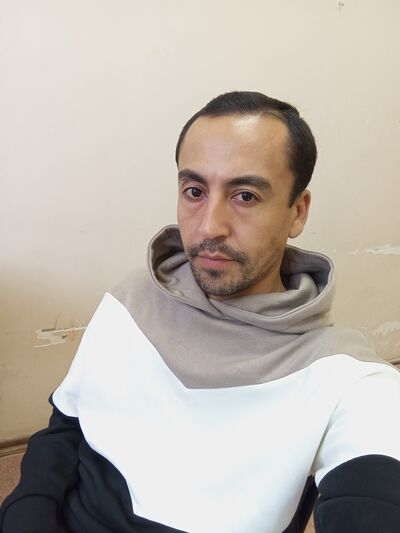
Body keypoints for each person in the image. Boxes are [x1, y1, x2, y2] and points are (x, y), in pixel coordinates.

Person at [1, 91, 400, 533]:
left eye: (245, 196)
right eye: (194, 191)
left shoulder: (347, 379)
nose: (210, 226)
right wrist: (24, 511)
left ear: (297, 212)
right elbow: (67, 424)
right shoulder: (134, 297)